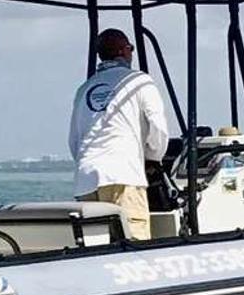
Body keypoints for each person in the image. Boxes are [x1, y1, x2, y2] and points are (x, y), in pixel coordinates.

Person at [69, 29, 169, 240]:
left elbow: (75, 141)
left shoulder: (84, 88)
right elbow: (158, 128)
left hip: (86, 176)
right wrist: (153, 158)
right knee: (134, 238)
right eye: (130, 48)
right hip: (123, 174)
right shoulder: (139, 81)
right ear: (125, 51)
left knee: (96, 243)